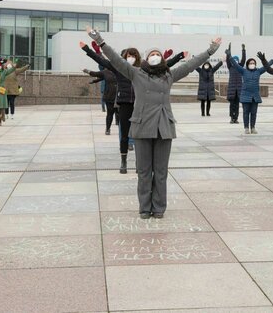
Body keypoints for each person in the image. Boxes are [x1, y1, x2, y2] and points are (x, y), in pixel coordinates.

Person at [88, 27, 221, 218]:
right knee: (143, 171)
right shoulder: (135, 73)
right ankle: (144, 208)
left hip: (163, 127)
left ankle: (159, 208)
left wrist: (210, 51)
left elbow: (191, 64)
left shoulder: (169, 75)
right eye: (152, 54)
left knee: (160, 172)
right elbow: (116, 60)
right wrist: (99, 39)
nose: (155, 57)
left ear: (162, 58)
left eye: (158, 54)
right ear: (146, 58)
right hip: (142, 126)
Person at [80, 42, 139, 173]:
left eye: (134, 55)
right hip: (124, 104)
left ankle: (138, 162)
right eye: (129, 55)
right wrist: (88, 50)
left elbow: (161, 67)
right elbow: (101, 61)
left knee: (139, 135)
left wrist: (176, 57)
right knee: (124, 134)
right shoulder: (118, 68)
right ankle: (123, 162)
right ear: (124, 57)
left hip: (139, 105)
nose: (131, 58)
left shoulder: (141, 70)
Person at [226, 47, 273, 134]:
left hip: (255, 96)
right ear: (247, 64)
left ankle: (253, 127)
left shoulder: (258, 71)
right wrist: (229, 56)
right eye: (250, 63)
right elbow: (235, 64)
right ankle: (246, 127)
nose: (252, 64)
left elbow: (266, 66)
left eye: (253, 63)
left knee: (254, 113)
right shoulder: (243, 71)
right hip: (245, 95)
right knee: (246, 112)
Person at [84, 67, 117, 134]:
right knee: (110, 114)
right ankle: (108, 128)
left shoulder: (121, 70)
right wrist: (87, 71)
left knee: (120, 114)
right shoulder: (106, 72)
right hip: (109, 96)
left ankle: (118, 123)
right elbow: (96, 74)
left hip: (120, 96)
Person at [225, 44, 244, 124]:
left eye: (236, 60)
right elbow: (228, 60)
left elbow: (244, 60)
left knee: (237, 105)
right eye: (234, 60)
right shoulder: (230, 67)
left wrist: (243, 50)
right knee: (231, 105)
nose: (235, 61)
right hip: (232, 90)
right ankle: (232, 118)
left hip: (238, 90)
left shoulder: (240, 67)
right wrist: (229, 50)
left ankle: (236, 118)